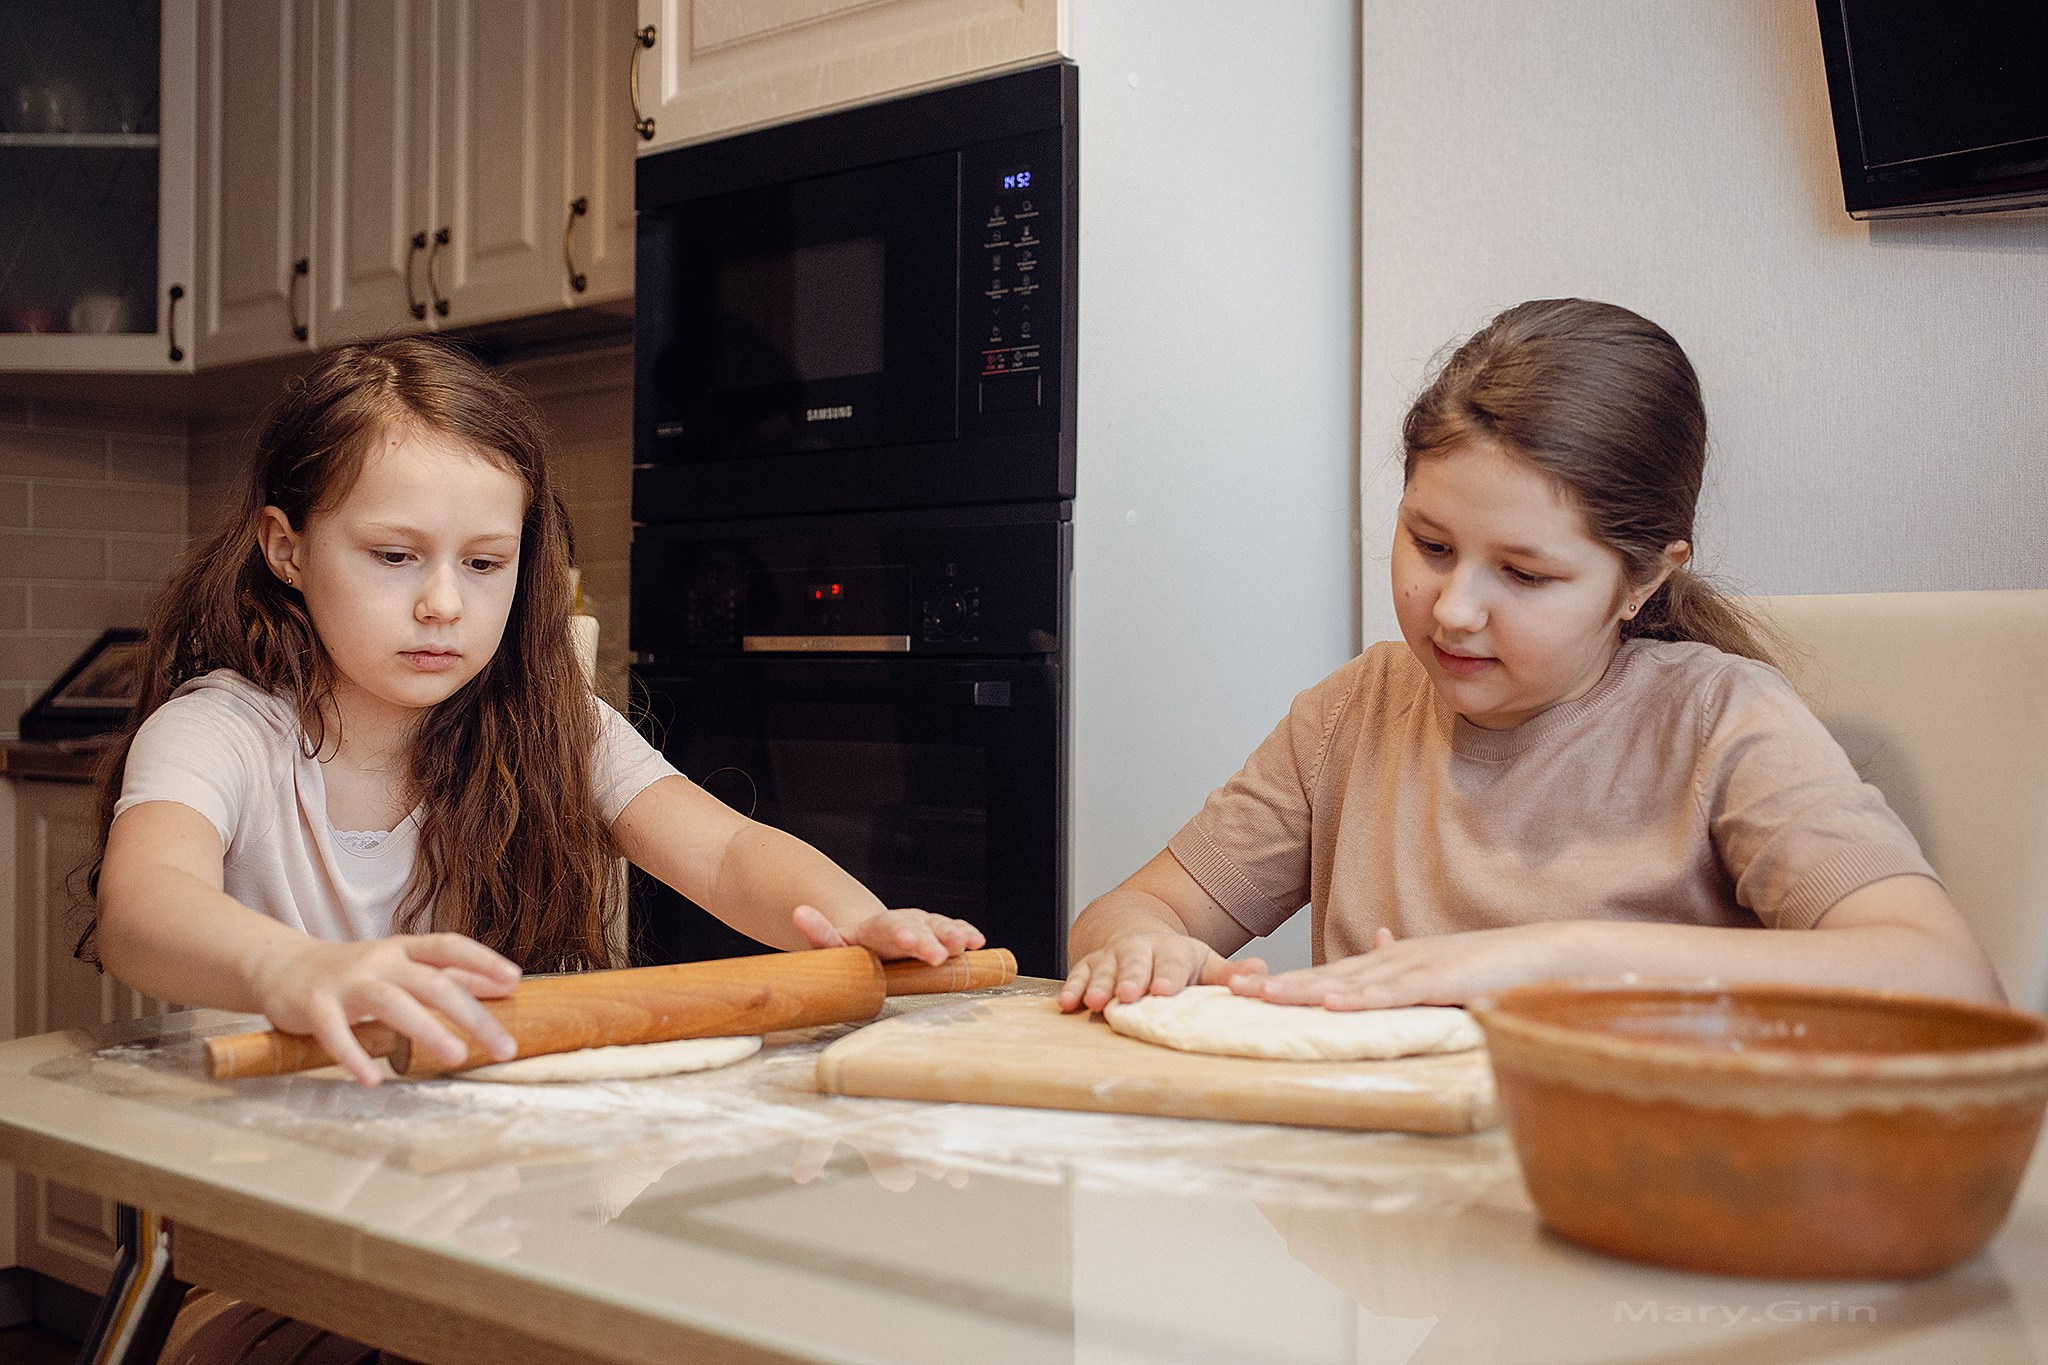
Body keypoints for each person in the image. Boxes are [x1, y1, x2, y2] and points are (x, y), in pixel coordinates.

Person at [1061, 298, 2003, 1015]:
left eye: (1524, 573)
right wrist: (1146, 946)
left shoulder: (1720, 722)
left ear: (1641, 580)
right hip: (1382, 1229)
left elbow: (1946, 978)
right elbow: (1132, 910)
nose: (1456, 609)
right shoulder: (1351, 714)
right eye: (1430, 545)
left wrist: (1554, 957)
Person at [87, 336, 984, 1087]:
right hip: (264, 1165)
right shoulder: (219, 731)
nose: (443, 602)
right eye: (395, 556)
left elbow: (722, 851)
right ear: (286, 549)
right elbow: (143, 904)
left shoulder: (555, 725)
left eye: (484, 564)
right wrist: (294, 966)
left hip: (477, 1164)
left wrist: (855, 922)